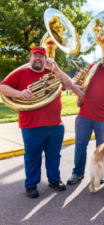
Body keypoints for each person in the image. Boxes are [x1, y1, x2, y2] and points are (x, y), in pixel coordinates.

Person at [0, 46, 72, 198]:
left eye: (41, 56)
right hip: (31, 125)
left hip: (56, 125)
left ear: (45, 59)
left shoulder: (52, 73)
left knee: (54, 156)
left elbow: (68, 84)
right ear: (30, 57)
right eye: (35, 55)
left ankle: (54, 180)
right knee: (33, 158)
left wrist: (57, 70)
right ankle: (31, 185)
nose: (38, 58)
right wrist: (19, 93)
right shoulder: (21, 73)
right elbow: (3, 87)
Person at [67, 46, 104, 185]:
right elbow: (75, 80)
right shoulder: (93, 67)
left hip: (103, 120)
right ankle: (77, 173)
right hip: (84, 116)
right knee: (80, 146)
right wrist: (74, 86)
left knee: (101, 148)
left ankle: (101, 174)